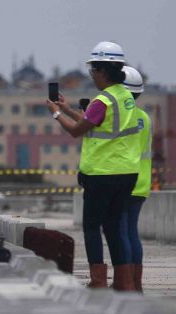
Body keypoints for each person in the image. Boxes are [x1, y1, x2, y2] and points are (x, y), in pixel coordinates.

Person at [45, 41, 141, 291]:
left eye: (92, 71)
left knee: (91, 227)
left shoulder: (103, 100)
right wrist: (67, 108)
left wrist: (56, 114)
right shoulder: (125, 98)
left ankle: (98, 281)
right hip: (127, 173)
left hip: (101, 174)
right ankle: (124, 282)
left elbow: (77, 131)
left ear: (101, 71)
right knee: (114, 227)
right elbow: (95, 123)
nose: (92, 76)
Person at [119, 66, 151, 292]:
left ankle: (125, 282)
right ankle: (135, 283)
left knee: (121, 232)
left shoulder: (121, 116)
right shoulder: (144, 117)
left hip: (122, 180)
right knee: (132, 231)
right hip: (141, 182)